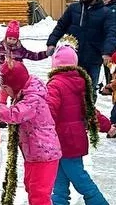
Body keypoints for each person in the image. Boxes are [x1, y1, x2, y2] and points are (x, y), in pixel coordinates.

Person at [46, 44, 113, 204]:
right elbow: (91, 112)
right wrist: (107, 126)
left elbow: (49, 110)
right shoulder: (80, 83)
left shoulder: (55, 84)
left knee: (81, 180)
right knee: (59, 182)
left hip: (63, 140)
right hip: (71, 141)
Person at [0, 61, 61, 205]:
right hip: (33, 154)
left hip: (44, 155)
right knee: (32, 188)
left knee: (39, 194)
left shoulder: (33, 98)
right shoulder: (26, 91)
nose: (4, 92)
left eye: (4, 88)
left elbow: (15, 115)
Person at [47, 0, 116, 89]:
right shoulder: (73, 8)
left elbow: (111, 33)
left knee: (90, 90)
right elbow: (61, 26)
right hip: (72, 57)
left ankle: (89, 106)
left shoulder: (106, 13)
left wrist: (107, 52)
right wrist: (51, 42)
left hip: (93, 58)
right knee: (70, 89)